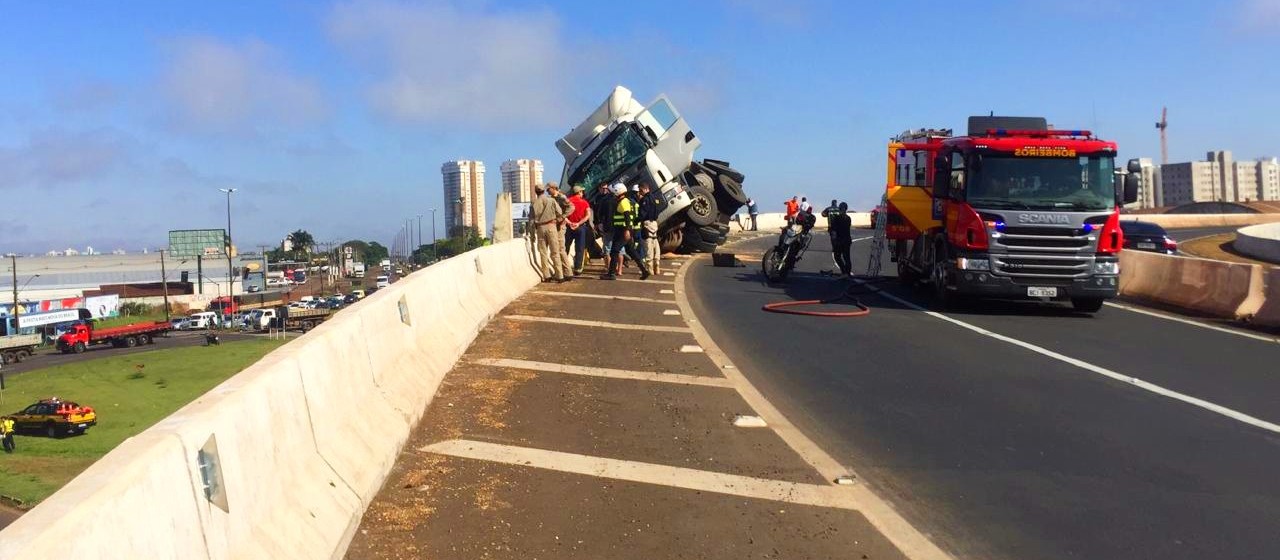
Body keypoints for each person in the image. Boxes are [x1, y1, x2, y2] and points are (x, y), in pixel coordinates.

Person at [603, 183, 648, 280]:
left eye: (615, 191)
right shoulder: (625, 201)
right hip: (623, 230)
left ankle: (611, 274)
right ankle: (644, 270)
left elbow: (627, 217)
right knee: (631, 251)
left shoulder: (623, 202)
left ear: (618, 191)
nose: (613, 194)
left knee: (614, 251)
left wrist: (627, 230)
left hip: (622, 230)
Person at [531, 183, 567, 282]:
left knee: (543, 252)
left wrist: (531, 235)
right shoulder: (551, 200)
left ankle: (546, 276)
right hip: (551, 226)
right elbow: (560, 212)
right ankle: (560, 275)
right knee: (555, 252)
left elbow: (531, 221)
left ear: (536, 192)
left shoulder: (534, 203)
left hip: (540, 228)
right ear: (544, 191)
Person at [564, 185, 592, 275]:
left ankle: (564, 267)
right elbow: (588, 215)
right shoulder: (584, 202)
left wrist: (569, 223)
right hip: (580, 227)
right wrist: (578, 223)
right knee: (579, 248)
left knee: (565, 247)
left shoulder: (568, 201)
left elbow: (562, 215)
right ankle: (578, 268)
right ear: (579, 192)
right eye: (582, 192)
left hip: (569, 227)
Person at [547, 182, 574, 274]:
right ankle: (562, 271)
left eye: (549, 189)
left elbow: (571, 207)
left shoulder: (561, 197)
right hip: (554, 225)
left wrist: (562, 217)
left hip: (560, 226)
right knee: (556, 250)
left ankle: (567, 271)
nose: (547, 191)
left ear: (554, 188)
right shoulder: (551, 199)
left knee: (560, 249)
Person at [637, 182, 664, 276]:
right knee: (655, 243)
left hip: (647, 223)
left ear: (645, 189)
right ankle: (657, 263)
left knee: (648, 245)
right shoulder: (655, 198)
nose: (639, 193)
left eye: (640, 190)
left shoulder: (645, 200)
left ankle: (650, 267)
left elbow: (642, 214)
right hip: (655, 223)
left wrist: (637, 220)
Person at [830, 202, 853, 276]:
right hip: (847, 240)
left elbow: (834, 231)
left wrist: (834, 241)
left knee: (837, 256)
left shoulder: (836, 218)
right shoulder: (848, 218)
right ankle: (847, 273)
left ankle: (844, 271)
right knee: (847, 257)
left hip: (840, 240)